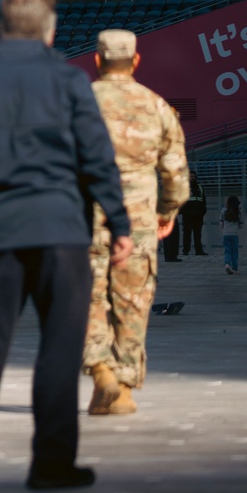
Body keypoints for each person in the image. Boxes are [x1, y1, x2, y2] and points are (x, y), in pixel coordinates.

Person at [0, 0, 131, 492]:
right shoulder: (69, 81)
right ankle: (51, 464)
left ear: (4, 29)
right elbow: (97, 158)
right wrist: (119, 223)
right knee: (59, 350)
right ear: (49, 32)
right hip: (61, 231)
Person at [84, 29, 189, 419]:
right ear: (136, 61)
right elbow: (176, 175)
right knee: (132, 303)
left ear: (97, 60)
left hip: (85, 220)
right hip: (139, 224)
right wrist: (166, 213)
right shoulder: (157, 106)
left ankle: (100, 370)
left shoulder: (77, 104)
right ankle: (124, 389)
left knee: (88, 299)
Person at [181, 171, 208, 255]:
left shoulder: (200, 187)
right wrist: (184, 211)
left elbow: (203, 200)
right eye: (191, 176)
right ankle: (186, 250)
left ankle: (199, 251)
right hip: (187, 214)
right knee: (187, 233)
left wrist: (203, 211)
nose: (192, 178)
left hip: (198, 214)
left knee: (198, 233)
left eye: (194, 176)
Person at [220, 194, 243, 273]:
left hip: (225, 234)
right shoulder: (238, 211)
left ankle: (227, 264)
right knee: (234, 251)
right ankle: (235, 268)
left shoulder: (223, 210)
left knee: (227, 250)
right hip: (234, 234)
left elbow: (221, 222)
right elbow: (241, 223)